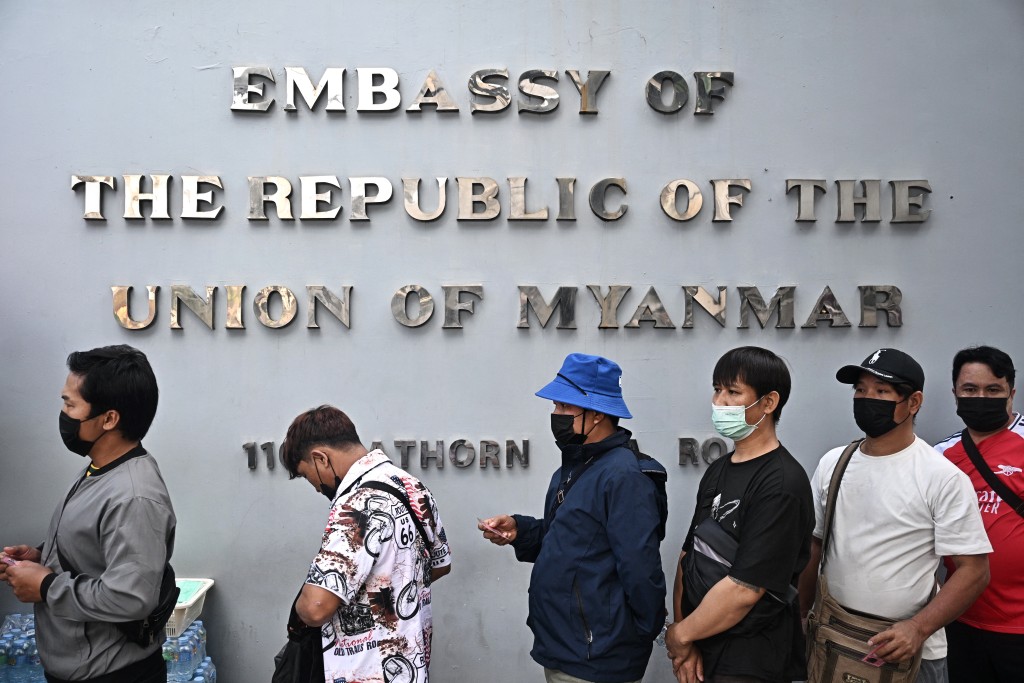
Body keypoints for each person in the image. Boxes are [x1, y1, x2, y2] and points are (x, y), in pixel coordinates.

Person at [798, 347, 991, 683]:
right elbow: (814, 546)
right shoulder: (834, 463)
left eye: (882, 391)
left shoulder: (940, 476)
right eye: (860, 389)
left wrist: (918, 628)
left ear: (913, 403)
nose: (866, 399)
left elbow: (974, 571)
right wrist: (802, 615)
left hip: (908, 654)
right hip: (834, 639)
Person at [479, 353, 668, 683]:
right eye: (555, 407)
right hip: (565, 648)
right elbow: (571, 542)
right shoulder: (576, 467)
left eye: (564, 408)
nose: (556, 415)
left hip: (598, 659)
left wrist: (633, 638)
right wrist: (520, 529)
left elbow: (641, 569)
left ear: (595, 414)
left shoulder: (624, 477)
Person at [0, 344, 175, 683]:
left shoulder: (134, 495)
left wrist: (47, 585)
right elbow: (99, 547)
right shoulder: (100, 468)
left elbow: (131, 597)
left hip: (113, 674)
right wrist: (41, 556)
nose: (64, 413)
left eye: (70, 404)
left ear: (109, 419)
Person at [665, 346, 813, 683]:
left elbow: (745, 589)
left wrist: (681, 634)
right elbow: (689, 556)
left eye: (733, 392)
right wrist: (687, 638)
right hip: (702, 644)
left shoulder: (782, 483)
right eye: (717, 389)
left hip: (750, 659)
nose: (720, 401)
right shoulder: (719, 469)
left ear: (769, 402)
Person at [280, 405, 452, 683]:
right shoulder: (411, 486)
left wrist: (300, 609)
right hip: (411, 666)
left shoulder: (356, 506)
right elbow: (441, 565)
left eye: (306, 474)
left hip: (362, 672)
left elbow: (315, 607)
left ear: (320, 458)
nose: (314, 486)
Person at [933, 345, 1024, 682]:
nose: (981, 398)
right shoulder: (940, 455)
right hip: (960, 620)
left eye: (993, 390)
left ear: (1011, 394)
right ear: (955, 393)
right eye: (970, 390)